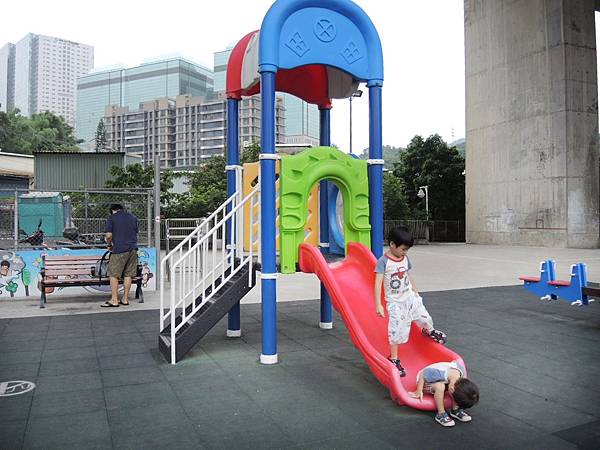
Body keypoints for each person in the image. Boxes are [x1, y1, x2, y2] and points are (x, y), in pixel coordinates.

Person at [374, 226, 447, 377]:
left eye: (407, 250)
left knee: (424, 315)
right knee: (397, 329)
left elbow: (407, 275)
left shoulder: (405, 258)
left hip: (409, 297)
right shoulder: (383, 262)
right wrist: (378, 304)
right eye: (403, 249)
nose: (405, 252)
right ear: (392, 244)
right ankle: (394, 358)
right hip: (395, 302)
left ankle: (429, 330)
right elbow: (378, 283)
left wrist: (415, 289)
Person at [409, 360, 479, 427]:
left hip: (443, 380)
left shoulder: (461, 372)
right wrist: (419, 390)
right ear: (450, 389)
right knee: (440, 387)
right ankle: (441, 414)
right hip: (426, 380)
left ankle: (455, 410)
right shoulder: (440, 374)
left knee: (459, 389)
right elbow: (423, 373)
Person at [101, 204, 138, 307]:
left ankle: (114, 300)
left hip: (119, 249)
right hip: (133, 249)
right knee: (128, 274)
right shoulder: (132, 217)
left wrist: (109, 244)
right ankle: (125, 299)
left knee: (113, 274)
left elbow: (109, 235)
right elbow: (135, 232)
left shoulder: (112, 218)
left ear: (113, 210)